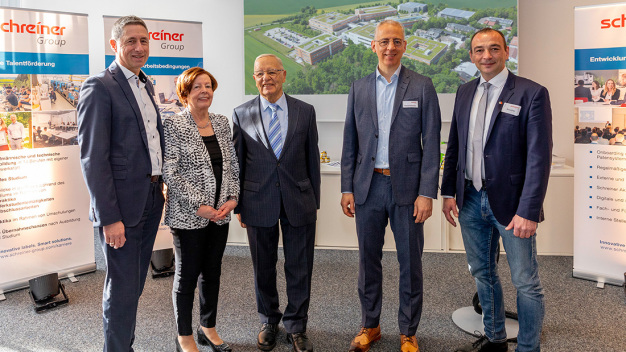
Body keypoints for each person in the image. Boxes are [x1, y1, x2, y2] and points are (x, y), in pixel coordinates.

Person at [441, 28, 552, 352]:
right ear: (471, 55)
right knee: (483, 274)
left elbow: (539, 158)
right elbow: (455, 148)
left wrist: (528, 211)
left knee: (525, 282)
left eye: (493, 49)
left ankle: (528, 348)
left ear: (506, 51)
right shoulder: (464, 92)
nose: (486, 56)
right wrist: (449, 192)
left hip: (513, 206)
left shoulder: (531, 93)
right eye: (478, 50)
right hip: (471, 200)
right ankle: (495, 338)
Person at [340, 19, 441, 352]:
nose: (390, 47)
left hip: (408, 192)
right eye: (384, 41)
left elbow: (432, 142)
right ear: (373, 45)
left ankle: (408, 331)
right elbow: (350, 142)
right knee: (368, 262)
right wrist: (346, 187)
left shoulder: (422, 85)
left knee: (409, 263)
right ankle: (370, 326)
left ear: (405, 46)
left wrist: (427, 192)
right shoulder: (358, 87)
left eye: (397, 41)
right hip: (367, 189)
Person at [77, 15, 165, 352]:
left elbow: (148, 142)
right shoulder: (100, 86)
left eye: (144, 41)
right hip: (121, 210)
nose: (139, 47)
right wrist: (109, 217)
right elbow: (93, 159)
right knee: (123, 287)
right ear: (115, 45)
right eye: (131, 41)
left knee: (134, 285)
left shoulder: (146, 84)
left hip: (150, 199)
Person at [232, 53, 320, 352]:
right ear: (254, 78)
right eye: (259, 73)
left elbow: (312, 160)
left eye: (272, 72)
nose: (265, 78)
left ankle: (296, 325)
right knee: (263, 267)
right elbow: (238, 164)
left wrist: (314, 201)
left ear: (283, 75)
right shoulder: (241, 113)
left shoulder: (305, 111)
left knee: (300, 266)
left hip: (299, 200)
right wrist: (239, 205)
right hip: (257, 201)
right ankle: (269, 320)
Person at [162, 67, 239, 352]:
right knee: (187, 275)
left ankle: (208, 327)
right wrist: (201, 205)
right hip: (188, 214)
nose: (204, 91)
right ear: (185, 93)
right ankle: (184, 335)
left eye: (208, 86)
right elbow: (170, 171)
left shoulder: (221, 122)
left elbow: (231, 164)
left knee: (213, 272)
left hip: (220, 214)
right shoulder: (173, 125)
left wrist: (232, 198)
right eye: (197, 87)